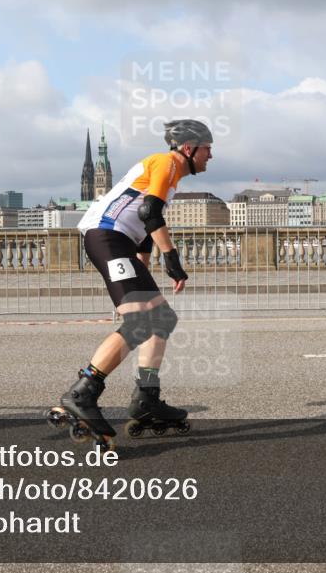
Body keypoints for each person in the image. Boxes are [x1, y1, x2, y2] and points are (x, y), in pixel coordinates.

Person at [48, 119, 214, 447]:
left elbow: (142, 225)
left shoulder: (168, 171)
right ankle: (83, 392)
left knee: (161, 319)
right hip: (107, 237)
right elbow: (150, 213)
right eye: (207, 148)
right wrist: (173, 260)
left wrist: (145, 267)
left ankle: (147, 398)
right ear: (188, 148)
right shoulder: (168, 163)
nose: (211, 155)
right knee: (140, 323)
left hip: (118, 240)